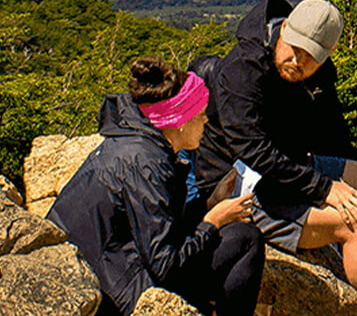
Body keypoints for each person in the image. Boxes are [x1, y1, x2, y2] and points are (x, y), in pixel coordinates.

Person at [191, 0, 357, 316]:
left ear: (328, 54)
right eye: (294, 49)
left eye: (311, 57)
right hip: (242, 184)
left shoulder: (318, 71)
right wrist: (325, 189)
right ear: (283, 31)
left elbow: (332, 135)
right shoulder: (242, 69)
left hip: (291, 163)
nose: (298, 61)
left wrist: (353, 175)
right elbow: (251, 150)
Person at [47, 57, 263, 316]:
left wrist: (209, 204)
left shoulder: (134, 140)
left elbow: (155, 221)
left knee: (236, 235)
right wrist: (213, 222)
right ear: (180, 121)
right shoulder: (145, 163)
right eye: (201, 115)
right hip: (115, 290)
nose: (206, 122)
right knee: (247, 240)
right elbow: (166, 266)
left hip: (99, 266)